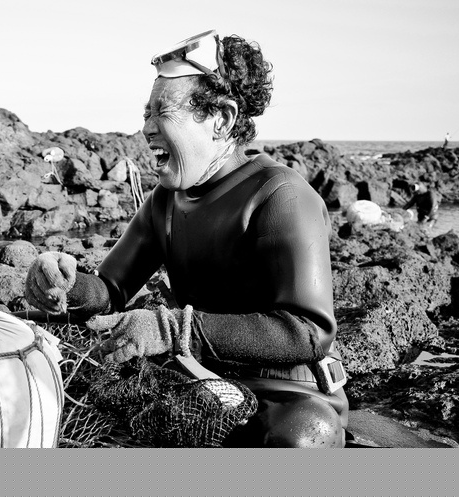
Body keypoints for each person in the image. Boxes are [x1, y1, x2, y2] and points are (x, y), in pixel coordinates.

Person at [24, 29, 348, 448]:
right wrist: (68, 284)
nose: (147, 128)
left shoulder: (280, 194)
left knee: (304, 436)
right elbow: (111, 290)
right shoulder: (165, 200)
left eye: (163, 112)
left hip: (284, 392)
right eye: (147, 113)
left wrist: (171, 328)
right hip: (199, 378)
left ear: (222, 119)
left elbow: (308, 331)